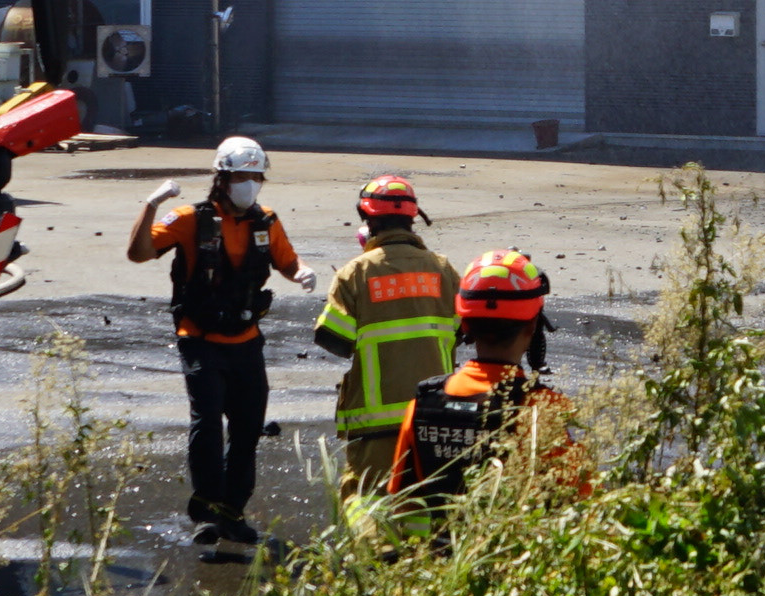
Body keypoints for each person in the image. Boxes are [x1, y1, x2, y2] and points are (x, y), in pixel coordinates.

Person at [128, 134, 305, 547]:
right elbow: (138, 253)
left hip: (246, 340)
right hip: (200, 338)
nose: (250, 185)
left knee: (247, 429)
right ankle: (206, 512)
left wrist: (303, 272)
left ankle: (232, 513)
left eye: (256, 177)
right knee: (207, 423)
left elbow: (287, 262)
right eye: (241, 177)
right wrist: (151, 205)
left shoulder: (266, 221)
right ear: (222, 179)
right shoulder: (190, 218)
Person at [383, 253, 591, 519]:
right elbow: (580, 502)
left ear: (465, 323)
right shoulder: (541, 407)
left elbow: (402, 503)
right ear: (532, 326)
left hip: (440, 544)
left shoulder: (422, 404)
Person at [308, 175, 458, 511]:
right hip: (435, 418)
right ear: (413, 217)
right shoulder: (443, 270)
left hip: (376, 425)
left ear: (368, 218)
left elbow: (334, 339)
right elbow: (464, 331)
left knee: (367, 503)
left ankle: (372, 545)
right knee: (427, 507)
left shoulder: (355, 273)